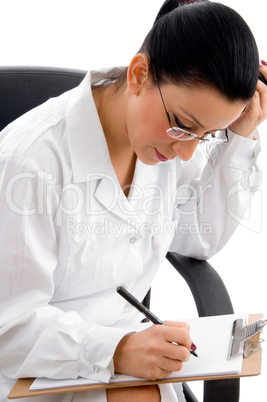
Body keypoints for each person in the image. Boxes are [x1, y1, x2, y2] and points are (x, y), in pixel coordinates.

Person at [0, 0, 266, 401]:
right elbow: (8, 328)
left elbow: (198, 237)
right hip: (35, 368)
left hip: (133, 356)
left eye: (206, 135)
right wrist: (116, 350)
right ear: (140, 74)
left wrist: (238, 141)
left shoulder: (162, 144)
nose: (187, 153)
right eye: (184, 126)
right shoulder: (30, 163)